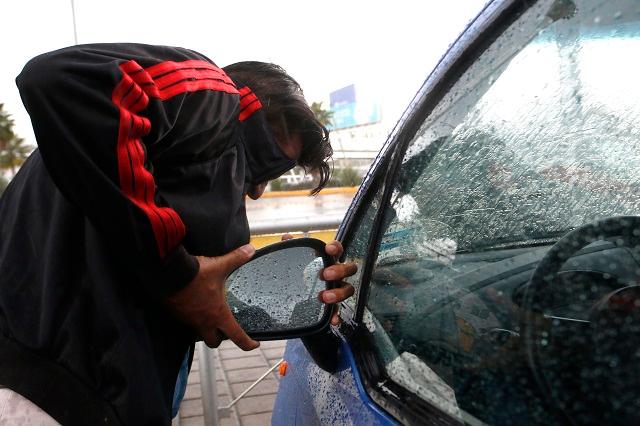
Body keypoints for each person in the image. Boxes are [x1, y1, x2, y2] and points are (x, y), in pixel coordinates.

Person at [0, 43, 356, 425]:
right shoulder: (218, 98)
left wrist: (299, 290)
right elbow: (60, 78)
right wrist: (175, 275)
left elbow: (201, 301)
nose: (255, 191)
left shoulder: (123, 174)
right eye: (264, 162)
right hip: (51, 400)